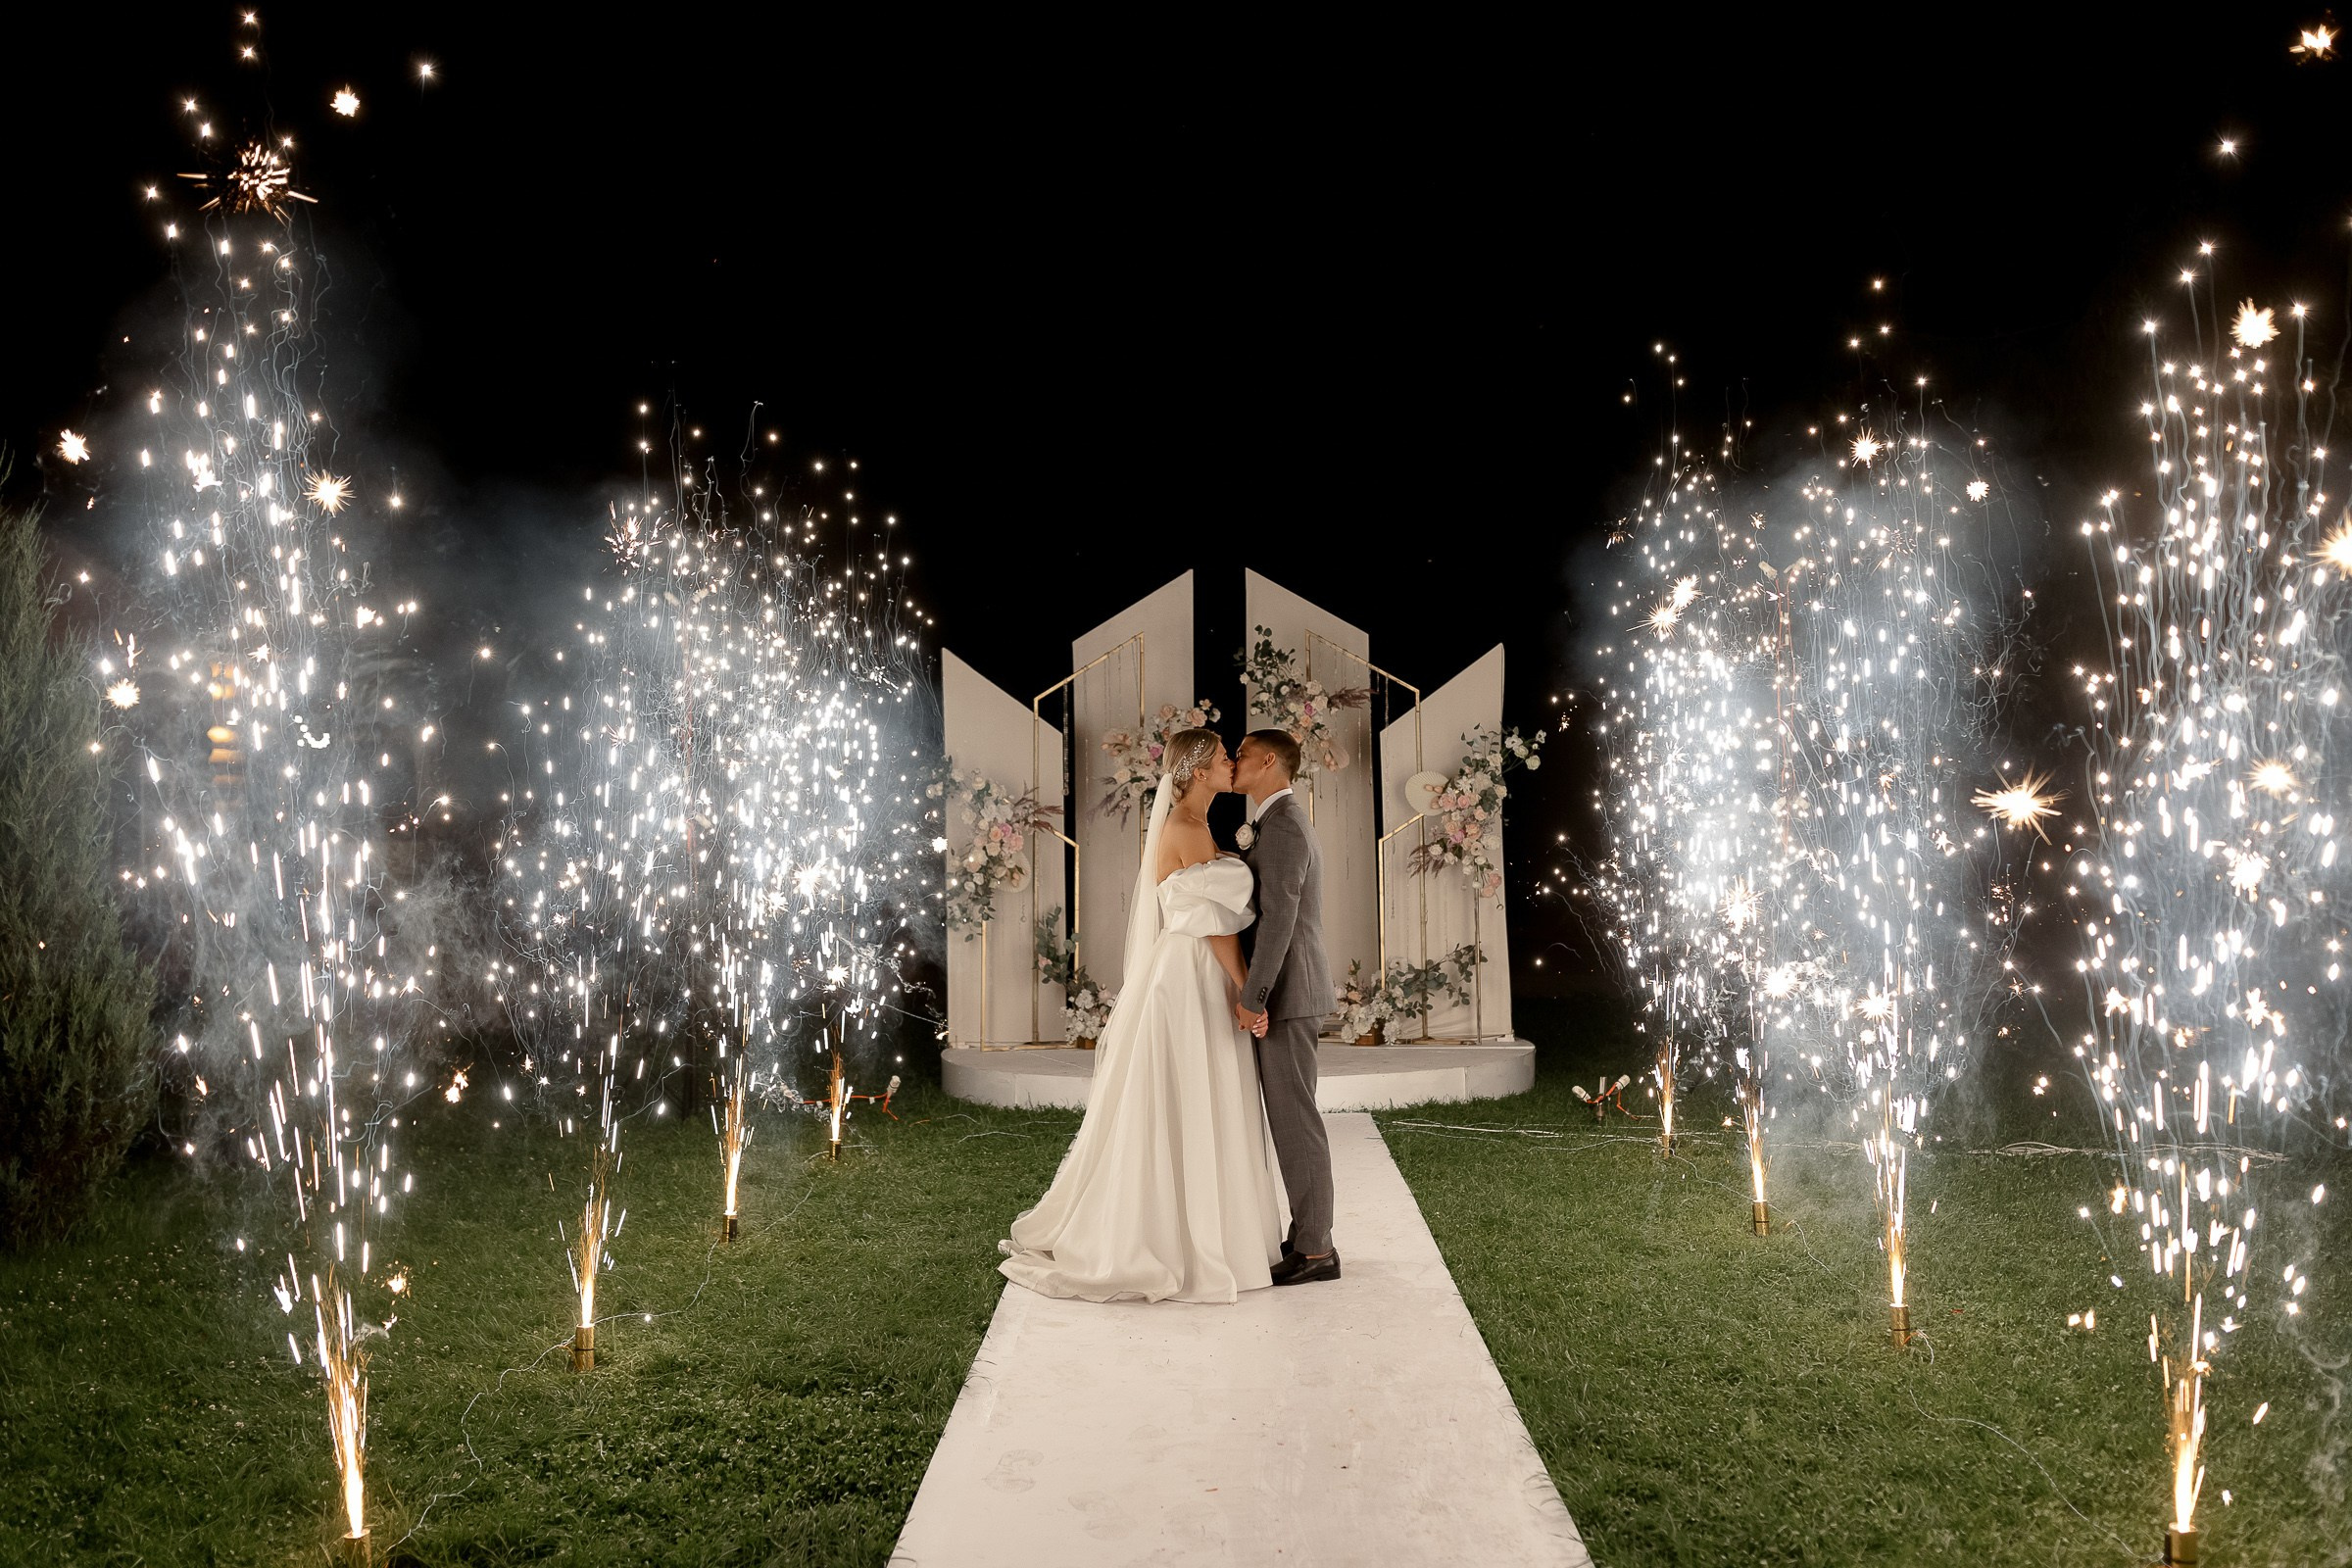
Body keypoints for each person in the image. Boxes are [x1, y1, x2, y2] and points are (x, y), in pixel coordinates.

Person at [996, 730, 1289, 1302]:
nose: (1232, 764)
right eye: (1225, 757)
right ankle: (1182, 1240)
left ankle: (1199, 1232)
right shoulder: (1184, 826)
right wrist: (1248, 992)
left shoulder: (1194, 824)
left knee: (1191, 1093)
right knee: (1191, 1094)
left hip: (1182, 970)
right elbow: (1215, 926)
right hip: (1192, 974)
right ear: (1201, 769)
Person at [1232, 728, 1339, 1285]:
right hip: (1290, 990)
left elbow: (1280, 921)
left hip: (1289, 994)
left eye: (1242, 755)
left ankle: (1317, 1249)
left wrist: (1254, 998)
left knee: (1296, 1119)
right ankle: (1307, 1235)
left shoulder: (1286, 826)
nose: (1233, 762)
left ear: (1269, 762)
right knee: (1291, 1117)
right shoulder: (1272, 823)